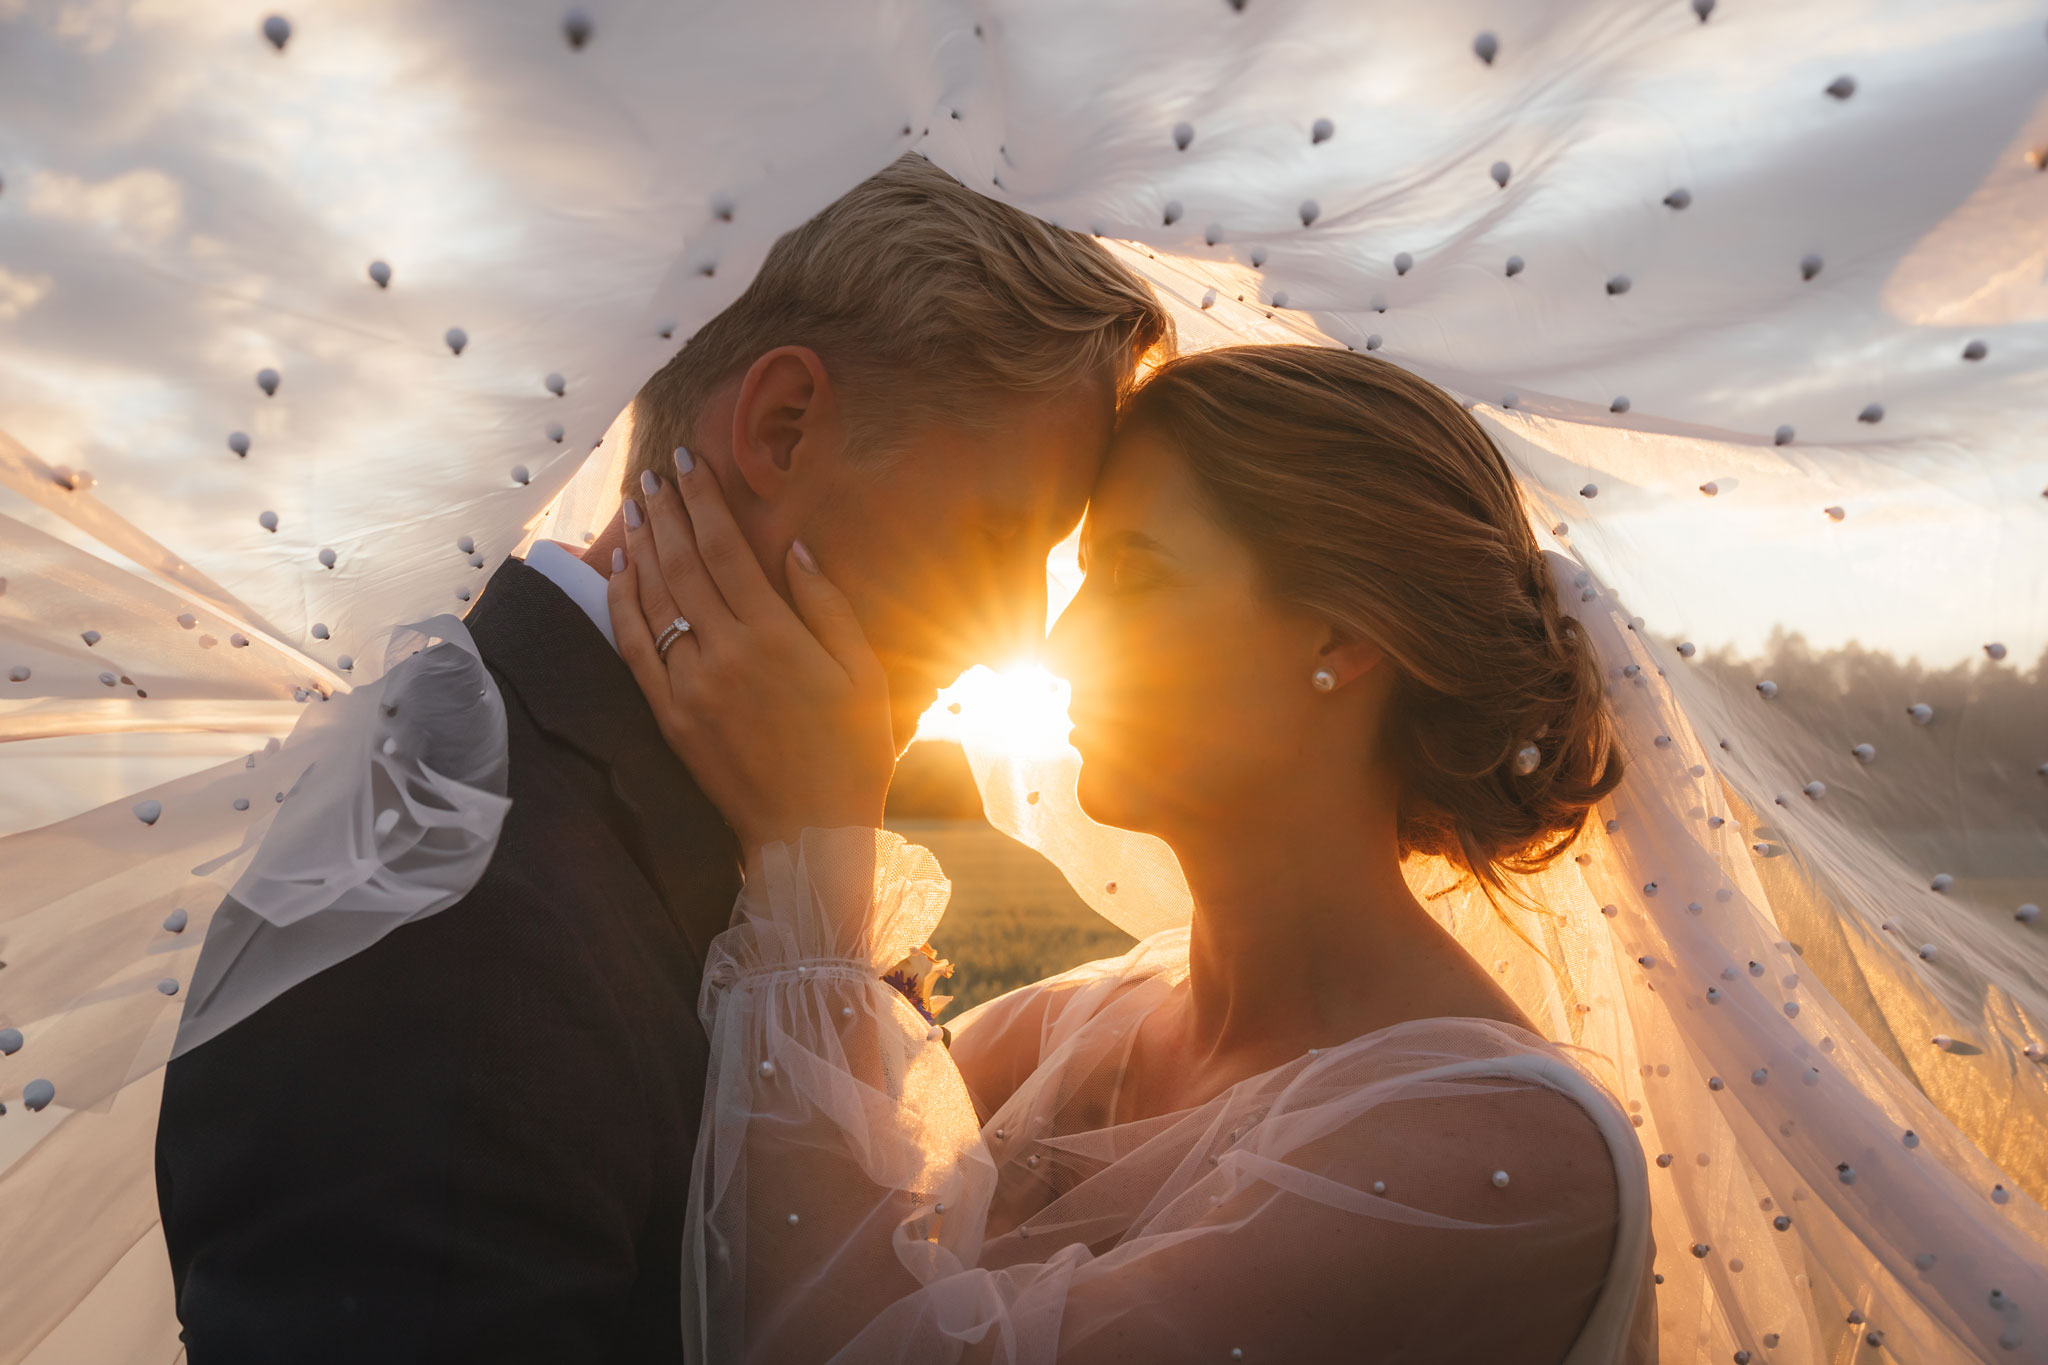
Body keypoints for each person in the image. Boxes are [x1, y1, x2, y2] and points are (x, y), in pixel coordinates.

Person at [152, 153, 1171, 1364]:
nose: (1021, 631)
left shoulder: (692, 818)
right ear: (782, 427)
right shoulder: (462, 929)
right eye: (1001, 535)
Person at [610, 344, 1660, 1363]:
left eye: (1135, 574)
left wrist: (811, 848)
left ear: (1338, 639)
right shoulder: (1056, 1037)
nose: (1062, 644)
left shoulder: (1505, 1154)